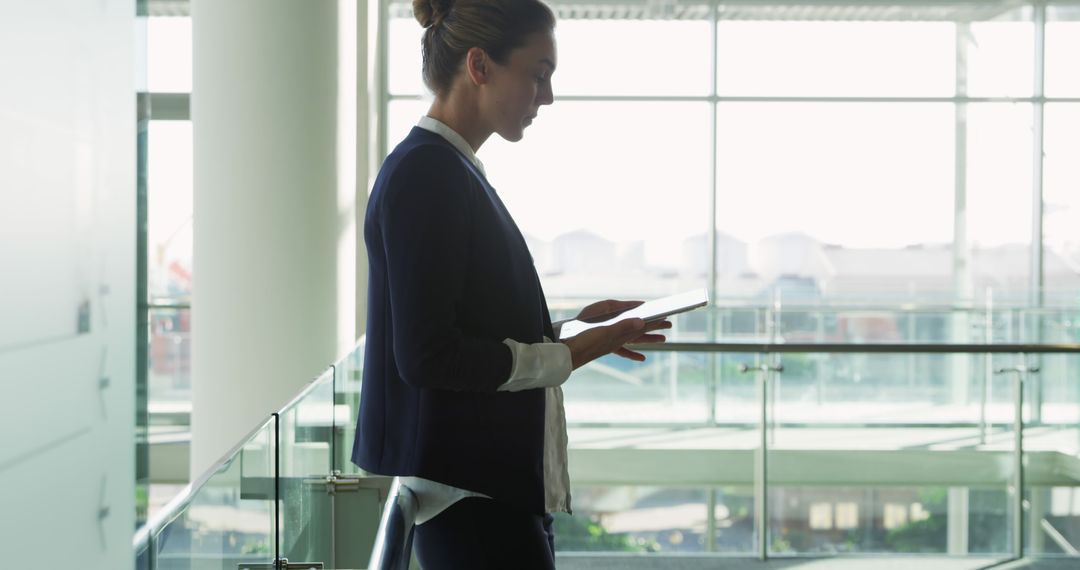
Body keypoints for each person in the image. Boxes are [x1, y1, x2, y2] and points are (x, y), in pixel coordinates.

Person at [350, 0, 669, 567]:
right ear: (480, 66)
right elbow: (426, 356)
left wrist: (570, 328)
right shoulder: (429, 174)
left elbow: (458, 321)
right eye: (538, 75)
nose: (545, 97)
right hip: (471, 496)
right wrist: (566, 354)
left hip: (480, 490)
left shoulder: (448, 168)